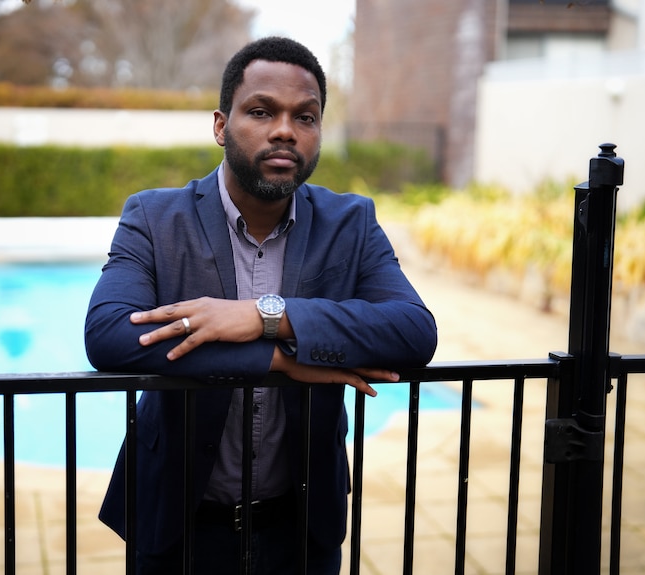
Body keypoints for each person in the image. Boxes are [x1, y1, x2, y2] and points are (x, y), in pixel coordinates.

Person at [85, 36, 437, 574]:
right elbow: (109, 335)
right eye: (261, 111)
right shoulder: (155, 219)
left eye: (306, 117)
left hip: (300, 526)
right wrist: (280, 361)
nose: (284, 130)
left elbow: (414, 331)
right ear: (222, 126)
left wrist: (264, 316)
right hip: (177, 522)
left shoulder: (352, 223)